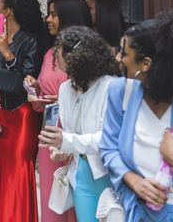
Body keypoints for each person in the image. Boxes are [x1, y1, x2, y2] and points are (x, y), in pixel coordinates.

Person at [100, 9, 173, 221]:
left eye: (124, 53)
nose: (118, 58)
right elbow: (109, 148)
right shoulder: (120, 92)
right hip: (138, 213)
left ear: (146, 64)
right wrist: (133, 180)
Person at [38, 26, 119, 221]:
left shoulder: (110, 86)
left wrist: (66, 141)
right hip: (80, 174)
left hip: (108, 174)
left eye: (60, 50)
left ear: (76, 55)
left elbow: (106, 138)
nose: (55, 54)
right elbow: (70, 134)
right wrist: (62, 149)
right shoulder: (65, 89)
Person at [25, 0, 92, 222]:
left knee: (76, 196)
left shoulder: (86, 57)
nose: (48, 19)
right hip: (50, 130)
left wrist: (63, 98)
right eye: (48, 13)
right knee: (53, 195)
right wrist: (37, 92)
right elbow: (45, 94)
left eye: (53, 14)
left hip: (74, 131)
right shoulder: (49, 53)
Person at [0, 0, 44, 222]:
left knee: (18, 171)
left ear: (8, 11)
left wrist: (8, 52)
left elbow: (27, 84)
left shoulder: (30, 40)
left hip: (22, 115)